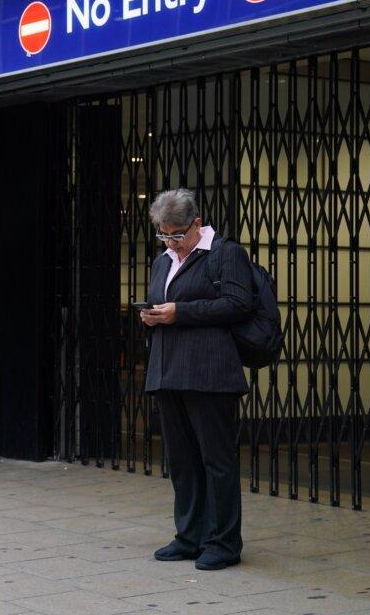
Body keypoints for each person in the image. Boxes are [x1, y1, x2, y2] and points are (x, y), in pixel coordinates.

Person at [139, 188, 254, 571]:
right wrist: (154, 315)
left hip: (209, 373)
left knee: (216, 459)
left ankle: (222, 542)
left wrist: (180, 313)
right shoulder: (162, 262)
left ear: (197, 224)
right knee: (183, 460)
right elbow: (164, 302)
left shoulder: (225, 254)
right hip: (168, 369)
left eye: (177, 234)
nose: (171, 242)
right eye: (164, 235)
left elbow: (238, 304)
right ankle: (189, 536)